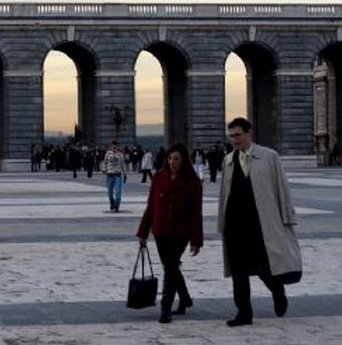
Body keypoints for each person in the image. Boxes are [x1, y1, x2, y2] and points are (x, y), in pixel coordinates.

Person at [217, 117, 302, 327]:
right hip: (235, 224)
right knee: (239, 271)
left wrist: (287, 217)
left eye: (238, 135)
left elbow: (282, 188)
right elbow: (223, 195)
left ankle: (277, 290)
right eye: (231, 136)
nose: (234, 139)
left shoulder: (269, 157)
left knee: (264, 267)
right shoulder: (228, 161)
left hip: (261, 223)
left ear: (249, 133)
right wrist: (222, 224)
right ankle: (244, 312)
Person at [136, 143, 203, 323]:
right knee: (170, 267)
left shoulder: (193, 181)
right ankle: (185, 299)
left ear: (183, 161)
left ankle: (166, 308)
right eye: (170, 158)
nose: (173, 162)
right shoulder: (159, 177)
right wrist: (143, 232)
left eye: (177, 159)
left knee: (170, 267)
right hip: (160, 231)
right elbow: (151, 207)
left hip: (181, 232)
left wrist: (196, 240)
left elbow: (196, 213)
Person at [102, 141, 125, 212]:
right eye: (113, 146)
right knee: (110, 192)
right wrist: (103, 169)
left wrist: (124, 173)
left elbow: (122, 164)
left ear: (118, 147)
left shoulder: (120, 154)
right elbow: (105, 162)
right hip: (109, 175)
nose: (114, 147)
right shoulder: (107, 154)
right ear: (111, 146)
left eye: (116, 146)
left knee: (118, 191)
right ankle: (112, 203)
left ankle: (116, 206)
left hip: (117, 175)